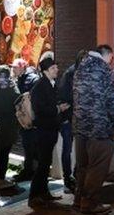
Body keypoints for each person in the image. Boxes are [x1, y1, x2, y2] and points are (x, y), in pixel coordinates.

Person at [72, 44, 114, 215]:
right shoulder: (105, 70)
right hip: (100, 128)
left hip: (81, 127)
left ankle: (79, 198)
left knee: (83, 166)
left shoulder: (79, 68)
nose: (112, 61)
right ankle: (90, 203)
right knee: (98, 166)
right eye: (112, 57)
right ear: (107, 55)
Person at [28, 58, 64, 207]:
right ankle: (34, 196)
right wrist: (58, 109)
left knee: (46, 163)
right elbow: (39, 109)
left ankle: (44, 193)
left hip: (50, 129)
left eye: (56, 67)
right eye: (53, 68)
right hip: (43, 131)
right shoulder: (39, 87)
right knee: (43, 164)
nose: (57, 70)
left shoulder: (51, 84)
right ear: (45, 71)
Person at [56, 50, 87, 192]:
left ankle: (75, 175)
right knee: (67, 149)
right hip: (68, 118)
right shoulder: (70, 74)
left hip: (78, 117)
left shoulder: (81, 73)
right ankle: (67, 179)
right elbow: (64, 97)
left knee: (80, 148)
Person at [12, 59, 39, 182]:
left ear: (22, 67)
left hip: (32, 119)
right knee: (27, 146)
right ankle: (29, 170)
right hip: (23, 118)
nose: (13, 69)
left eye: (15, 67)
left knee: (32, 146)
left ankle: (32, 172)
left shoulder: (33, 79)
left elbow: (35, 99)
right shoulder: (19, 79)